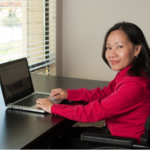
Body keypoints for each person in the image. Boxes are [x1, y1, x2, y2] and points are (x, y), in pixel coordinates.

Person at [36, 22, 150, 149]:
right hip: (116, 133)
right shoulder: (130, 73)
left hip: (123, 142)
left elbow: (92, 113)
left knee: (53, 143)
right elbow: (104, 93)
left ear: (137, 49)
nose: (112, 54)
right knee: (59, 134)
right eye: (109, 47)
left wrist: (53, 108)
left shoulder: (135, 84)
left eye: (119, 47)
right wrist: (68, 93)